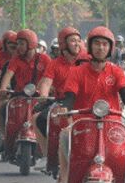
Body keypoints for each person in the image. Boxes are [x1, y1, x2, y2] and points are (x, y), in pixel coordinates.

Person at [49, 26, 125, 183]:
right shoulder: (77, 71)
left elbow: (124, 92)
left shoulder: (115, 71)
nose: (101, 48)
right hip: (84, 123)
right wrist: (64, 108)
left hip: (112, 124)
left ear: (110, 49)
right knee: (64, 136)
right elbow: (70, 96)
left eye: (105, 45)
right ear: (90, 47)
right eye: (97, 44)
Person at [33, 27, 89, 162]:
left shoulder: (88, 60)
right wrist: (43, 95)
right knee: (37, 118)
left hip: (86, 101)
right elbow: (46, 82)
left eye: (78, 40)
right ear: (63, 44)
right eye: (72, 41)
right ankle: (48, 155)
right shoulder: (55, 64)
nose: (77, 44)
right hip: (62, 102)